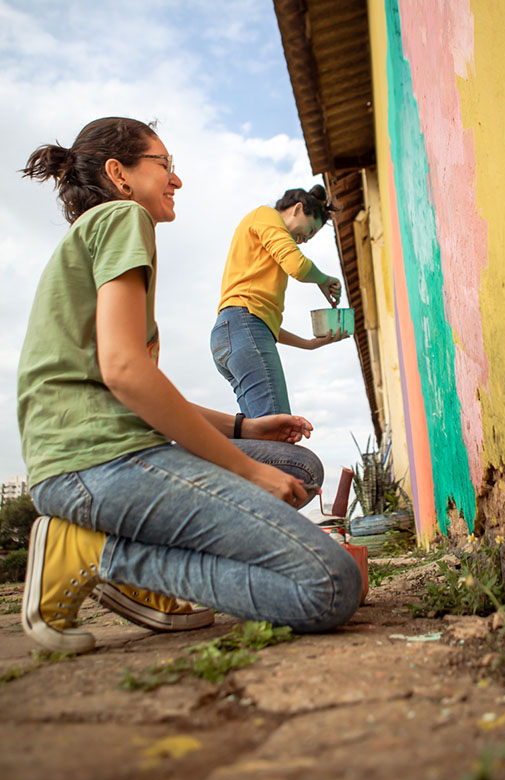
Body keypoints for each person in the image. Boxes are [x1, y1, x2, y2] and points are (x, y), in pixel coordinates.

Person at [17, 117, 362, 654]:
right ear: (119, 173)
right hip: (94, 464)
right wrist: (246, 469)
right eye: (165, 165)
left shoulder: (105, 232)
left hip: (103, 455)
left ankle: (140, 568)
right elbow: (126, 373)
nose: (177, 180)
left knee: (297, 467)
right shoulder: (123, 218)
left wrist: (244, 426)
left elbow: (135, 385)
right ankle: (104, 555)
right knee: (328, 585)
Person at [210, 185, 349, 417]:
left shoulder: (266, 256)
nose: (305, 240)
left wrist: (308, 344)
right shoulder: (267, 216)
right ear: (297, 209)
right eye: (310, 230)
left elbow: (261, 321)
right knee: (278, 430)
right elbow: (298, 266)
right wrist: (323, 280)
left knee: (261, 433)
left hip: (230, 334)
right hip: (242, 329)